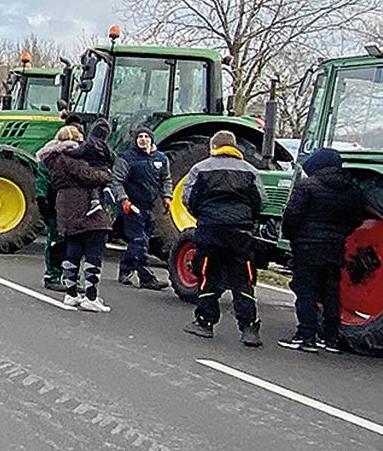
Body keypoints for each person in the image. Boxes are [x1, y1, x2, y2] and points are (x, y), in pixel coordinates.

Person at [182, 130, 263, 346]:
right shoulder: (250, 170)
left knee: (208, 276)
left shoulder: (200, 168)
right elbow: (259, 201)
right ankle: (249, 328)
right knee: (243, 280)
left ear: (214, 147)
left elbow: (189, 198)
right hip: (240, 232)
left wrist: (203, 216)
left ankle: (205, 323)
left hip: (210, 230)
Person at [279, 147, 365, 351]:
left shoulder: (306, 186)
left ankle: (306, 336)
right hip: (334, 247)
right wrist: (340, 234)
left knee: (306, 291)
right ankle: (331, 339)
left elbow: (292, 215)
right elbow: (357, 218)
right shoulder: (352, 190)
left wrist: (291, 236)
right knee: (330, 292)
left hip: (307, 246)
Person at [44, 121, 115, 311]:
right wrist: (106, 174)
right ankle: (91, 296)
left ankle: (71, 293)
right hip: (84, 206)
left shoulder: (53, 158)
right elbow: (88, 176)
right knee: (94, 249)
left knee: (73, 248)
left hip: (66, 206)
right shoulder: (72, 157)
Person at [111, 127, 173, 290]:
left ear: (151, 140)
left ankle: (125, 271)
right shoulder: (127, 158)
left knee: (140, 240)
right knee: (140, 241)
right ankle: (147, 278)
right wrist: (124, 200)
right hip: (132, 207)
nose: (143, 139)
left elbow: (166, 179)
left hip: (150, 207)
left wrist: (167, 196)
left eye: (146, 136)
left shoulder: (161, 158)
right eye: (140, 136)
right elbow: (117, 181)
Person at [35, 125, 82, 292]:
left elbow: (42, 184)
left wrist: (43, 201)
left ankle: (56, 275)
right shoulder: (77, 158)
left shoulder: (47, 158)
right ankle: (62, 276)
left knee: (58, 241)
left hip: (56, 205)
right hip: (70, 206)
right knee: (67, 243)